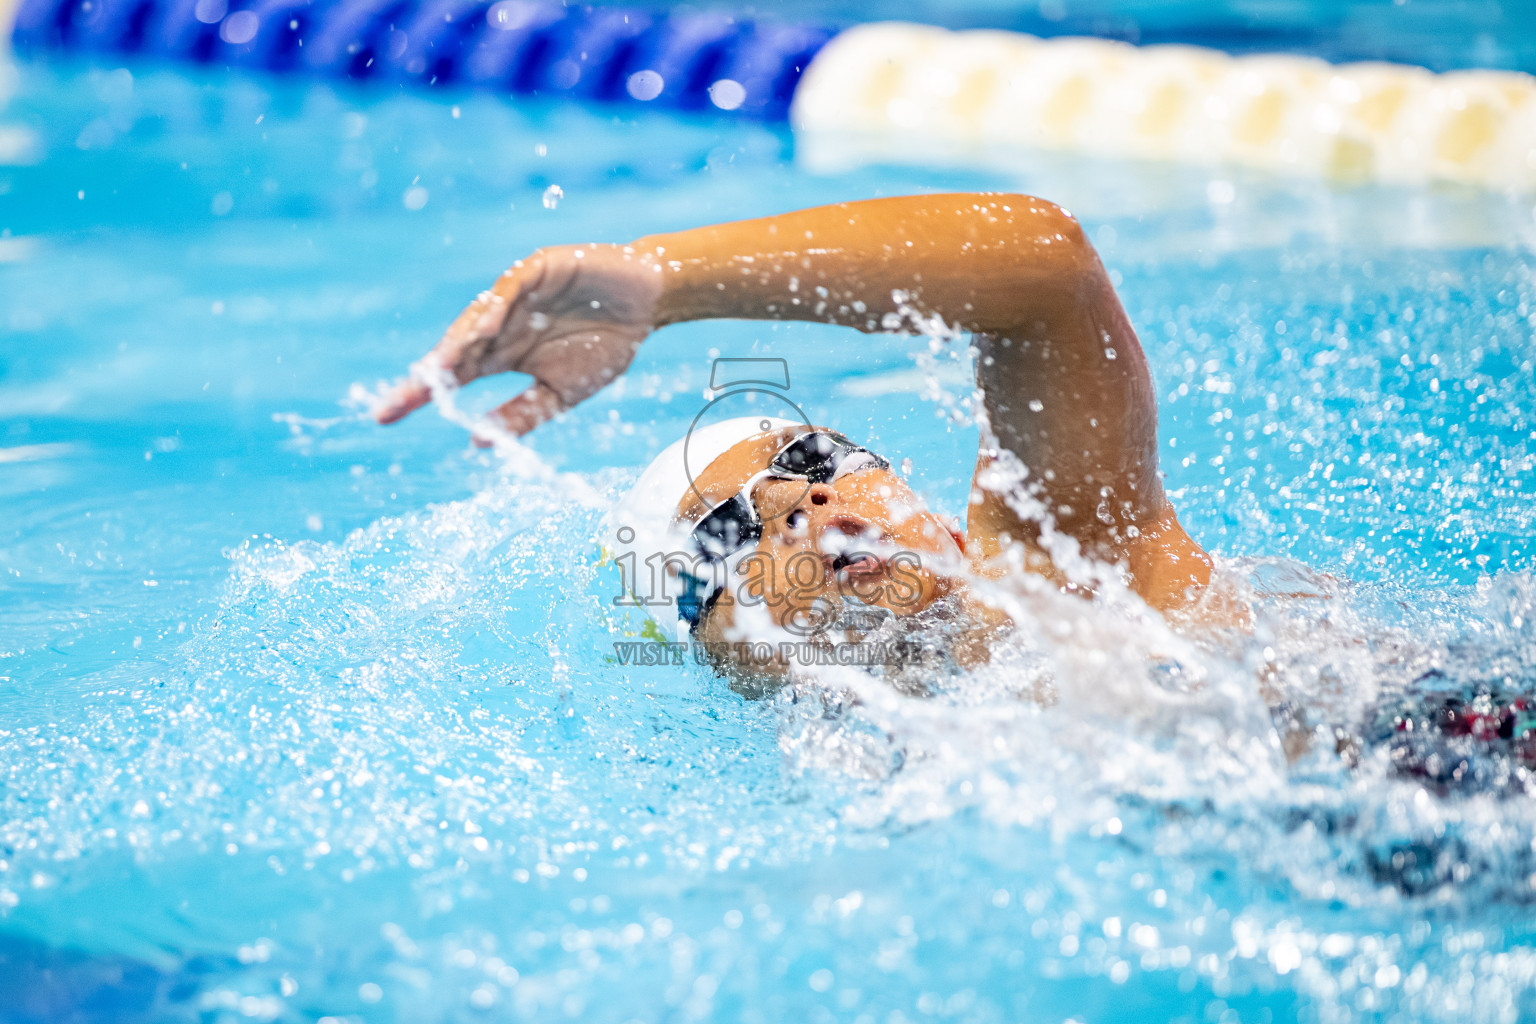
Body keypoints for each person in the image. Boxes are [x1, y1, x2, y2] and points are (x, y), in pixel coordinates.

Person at [375, 193, 1218, 682]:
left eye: (817, 460)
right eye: (728, 532)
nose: (804, 496)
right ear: (730, 660)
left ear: (942, 517)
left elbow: (1047, 269)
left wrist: (662, 279)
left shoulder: (1075, 575)